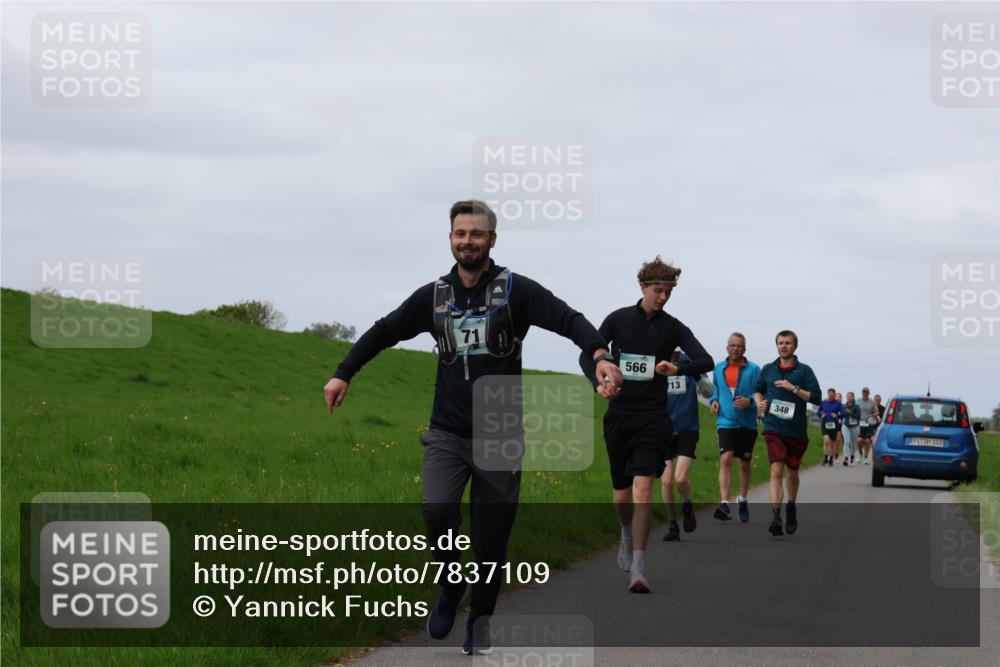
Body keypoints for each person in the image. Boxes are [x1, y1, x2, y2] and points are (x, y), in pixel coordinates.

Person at [325, 200, 623, 655]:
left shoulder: (515, 290)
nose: (468, 241)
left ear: (492, 240)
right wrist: (344, 371)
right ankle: (450, 586)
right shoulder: (434, 296)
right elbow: (385, 330)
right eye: (460, 233)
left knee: (490, 541)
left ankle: (480, 620)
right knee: (437, 511)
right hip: (447, 432)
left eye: (476, 234)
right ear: (450, 239)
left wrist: (600, 356)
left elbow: (569, 320)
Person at [581, 256, 712, 593]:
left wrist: (677, 369)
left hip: (654, 420)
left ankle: (638, 568)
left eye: (669, 292)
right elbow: (588, 352)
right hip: (619, 417)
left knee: (643, 489)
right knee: (622, 495)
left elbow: (705, 359)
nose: (664, 297)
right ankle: (625, 534)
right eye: (658, 290)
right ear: (643, 287)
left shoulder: (674, 328)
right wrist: (597, 382)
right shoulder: (618, 320)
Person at [754, 330, 821, 536]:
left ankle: (790, 505)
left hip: (796, 431)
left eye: (788, 343)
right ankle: (775, 517)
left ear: (795, 346)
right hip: (773, 428)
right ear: (776, 345)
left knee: (792, 472)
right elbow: (757, 389)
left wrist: (793, 389)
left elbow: (816, 398)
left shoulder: (805, 371)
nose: (784, 346)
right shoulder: (768, 369)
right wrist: (759, 403)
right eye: (780, 343)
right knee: (776, 471)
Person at [661, 349, 714, 541]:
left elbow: (709, 392)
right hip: (663, 430)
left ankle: (687, 503)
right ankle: (673, 525)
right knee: (666, 482)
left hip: (687, 429)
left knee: (680, 479)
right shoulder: (658, 361)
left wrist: (696, 374)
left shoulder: (690, 361)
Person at [708, 332, 762, 523]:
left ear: (744, 349)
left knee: (745, 462)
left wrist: (750, 402)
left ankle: (743, 498)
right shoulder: (718, 369)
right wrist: (713, 402)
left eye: (739, 346)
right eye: (732, 345)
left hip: (747, 423)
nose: (735, 349)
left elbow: (761, 395)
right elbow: (716, 392)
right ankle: (724, 502)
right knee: (726, 458)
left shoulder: (755, 370)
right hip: (726, 421)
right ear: (727, 347)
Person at [817, 389, 844, 466]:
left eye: (832, 394)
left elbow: (843, 413)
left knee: (832, 443)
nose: (831, 396)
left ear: (834, 395)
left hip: (834, 425)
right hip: (825, 423)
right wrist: (821, 415)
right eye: (829, 394)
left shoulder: (838, 403)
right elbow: (818, 411)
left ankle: (831, 459)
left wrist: (837, 415)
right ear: (828, 394)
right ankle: (826, 458)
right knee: (826, 441)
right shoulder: (824, 402)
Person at [857, 387, 878, 465]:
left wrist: (871, 415)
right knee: (859, 440)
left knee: (867, 441)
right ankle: (860, 453)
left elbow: (877, 412)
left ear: (868, 393)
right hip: (860, 423)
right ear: (862, 393)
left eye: (866, 392)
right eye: (863, 392)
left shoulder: (872, 402)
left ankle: (866, 457)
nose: (864, 394)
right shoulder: (858, 401)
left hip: (869, 424)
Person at [842, 391, 861, 466]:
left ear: (853, 397)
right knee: (846, 442)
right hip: (846, 426)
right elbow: (842, 415)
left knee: (853, 443)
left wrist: (850, 412)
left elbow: (858, 416)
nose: (849, 398)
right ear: (846, 397)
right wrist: (845, 413)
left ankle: (852, 458)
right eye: (848, 396)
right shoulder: (844, 406)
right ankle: (846, 459)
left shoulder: (857, 406)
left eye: (851, 396)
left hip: (855, 426)